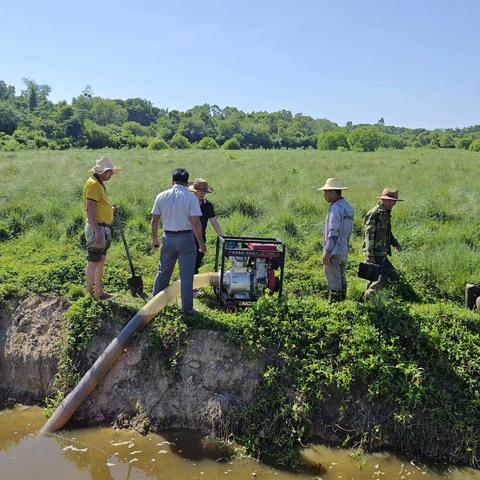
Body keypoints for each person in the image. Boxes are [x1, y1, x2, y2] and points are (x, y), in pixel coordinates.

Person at [151, 168, 206, 312]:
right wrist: (201, 243)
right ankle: (187, 309)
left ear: (172, 180)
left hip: (168, 238)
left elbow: (155, 220)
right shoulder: (191, 198)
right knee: (187, 275)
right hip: (186, 238)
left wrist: (155, 238)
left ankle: (155, 305)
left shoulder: (161, 196)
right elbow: (195, 223)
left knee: (163, 272)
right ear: (187, 183)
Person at [83, 156, 121, 299]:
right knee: (93, 261)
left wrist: (110, 210)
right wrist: (96, 230)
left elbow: (98, 206)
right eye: (109, 172)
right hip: (97, 228)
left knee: (100, 260)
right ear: (101, 171)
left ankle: (99, 292)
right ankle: (89, 295)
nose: (111, 174)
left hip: (103, 227)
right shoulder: (93, 184)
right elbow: (90, 207)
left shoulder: (99, 184)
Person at [363, 187, 403, 301]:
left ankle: (367, 299)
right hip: (376, 253)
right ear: (387, 200)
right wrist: (369, 254)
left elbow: (387, 232)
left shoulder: (385, 213)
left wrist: (395, 243)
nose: (394, 204)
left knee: (373, 277)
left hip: (382, 252)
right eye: (393, 201)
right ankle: (371, 293)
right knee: (390, 275)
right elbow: (369, 234)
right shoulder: (374, 213)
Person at [318, 178, 354, 302]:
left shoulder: (335, 208)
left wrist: (327, 251)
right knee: (341, 278)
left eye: (326, 192)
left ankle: (335, 308)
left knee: (334, 282)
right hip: (343, 249)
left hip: (334, 250)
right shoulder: (348, 207)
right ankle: (343, 305)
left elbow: (333, 233)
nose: (324, 195)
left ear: (333, 192)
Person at [187, 178, 224, 297]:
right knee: (188, 263)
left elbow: (214, 222)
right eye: (200, 191)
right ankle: (187, 288)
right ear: (194, 191)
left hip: (201, 238)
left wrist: (223, 236)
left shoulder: (208, 205)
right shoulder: (187, 202)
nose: (202, 193)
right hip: (186, 236)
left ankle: (191, 287)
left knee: (197, 262)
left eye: (204, 191)